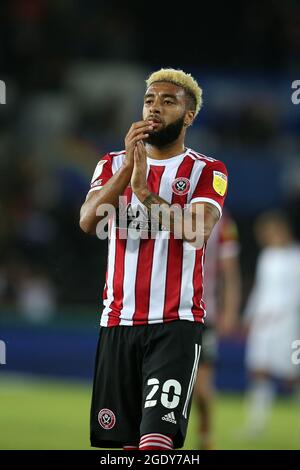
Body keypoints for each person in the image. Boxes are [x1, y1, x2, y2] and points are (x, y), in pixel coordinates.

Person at [79, 68, 229, 450]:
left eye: (167, 101)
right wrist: (129, 169)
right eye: (149, 100)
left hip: (174, 325)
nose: (155, 108)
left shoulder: (207, 170)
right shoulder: (111, 164)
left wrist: (144, 192)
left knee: (155, 445)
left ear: (189, 115)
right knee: (120, 449)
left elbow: (197, 230)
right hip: (118, 322)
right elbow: (87, 220)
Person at [243, 210, 300, 435]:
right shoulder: (266, 255)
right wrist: (249, 315)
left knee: (291, 376)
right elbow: (260, 289)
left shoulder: (296, 256)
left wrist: (281, 313)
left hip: (288, 323)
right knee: (259, 370)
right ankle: (256, 425)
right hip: (262, 323)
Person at [194, 211, 241, 450]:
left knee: (201, 390)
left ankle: (205, 439)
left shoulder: (223, 223)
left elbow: (230, 272)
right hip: (166, 313)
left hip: (204, 316)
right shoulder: (168, 209)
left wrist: (230, 311)